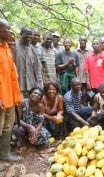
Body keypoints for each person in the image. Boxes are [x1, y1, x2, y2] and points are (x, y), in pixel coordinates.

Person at [0, 19, 22, 170]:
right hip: (1, 98)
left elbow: (12, 74)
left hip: (10, 96)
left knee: (8, 126)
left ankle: (4, 154)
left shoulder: (7, 48)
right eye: (7, 29)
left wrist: (16, 96)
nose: (10, 31)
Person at [14, 26, 43, 98]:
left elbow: (36, 68)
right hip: (18, 84)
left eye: (30, 34)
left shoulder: (32, 49)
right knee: (20, 106)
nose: (29, 36)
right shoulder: (14, 47)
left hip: (30, 85)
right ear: (21, 34)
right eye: (27, 34)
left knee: (29, 106)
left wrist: (37, 83)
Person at [75, 35, 91, 105]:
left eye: (84, 40)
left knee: (89, 93)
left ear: (86, 41)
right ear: (79, 41)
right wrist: (77, 77)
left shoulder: (90, 51)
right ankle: (80, 108)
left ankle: (88, 107)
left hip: (88, 77)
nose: (83, 41)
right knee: (79, 94)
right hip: (79, 77)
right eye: (82, 40)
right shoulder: (75, 51)